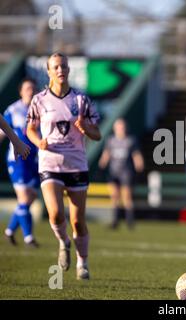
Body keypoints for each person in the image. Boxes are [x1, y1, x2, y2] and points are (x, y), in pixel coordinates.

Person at [26, 52, 101, 280]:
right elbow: (30, 128)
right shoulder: (39, 100)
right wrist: (39, 141)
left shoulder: (81, 100)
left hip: (76, 165)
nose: (61, 70)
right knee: (56, 214)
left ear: (69, 70)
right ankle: (63, 241)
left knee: (78, 221)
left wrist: (85, 127)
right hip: (50, 163)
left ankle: (83, 263)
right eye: (56, 67)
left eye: (64, 66)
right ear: (48, 71)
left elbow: (97, 134)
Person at [0, 78, 40, 247]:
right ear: (21, 91)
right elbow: (2, 132)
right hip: (18, 161)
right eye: (27, 88)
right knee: (24, 197)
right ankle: (28, 237)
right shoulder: (14, 110)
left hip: (34, 160)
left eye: (33, 88)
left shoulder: (40, 109)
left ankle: (9, 231)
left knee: (30, 197)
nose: (30, 91)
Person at [98, 118, 144, 230]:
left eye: (122, 127)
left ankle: (130, 221)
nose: (120, 129)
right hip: (114, 172)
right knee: (114, 196)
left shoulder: (130, 140)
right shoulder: (111, 140)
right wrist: (101, 166)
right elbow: (106, 154)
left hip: (126, 172)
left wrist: (139, 165)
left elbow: (136, 155)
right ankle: (115, 221)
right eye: (118, 127)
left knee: (127, 197)